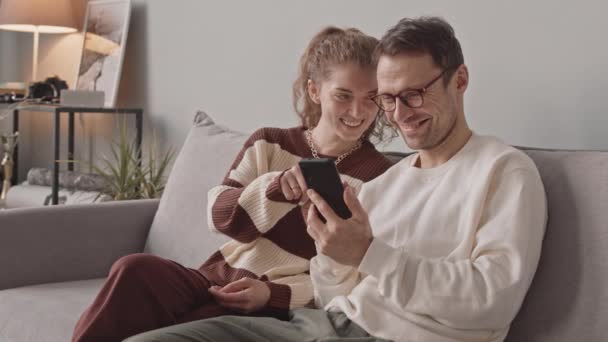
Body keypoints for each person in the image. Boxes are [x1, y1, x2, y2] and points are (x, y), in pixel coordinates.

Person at [124, 16, 548, 342]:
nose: (400, 113)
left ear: (460, 80)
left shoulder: (503, 171)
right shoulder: (389, 183)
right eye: (388, 98)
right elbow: (334, 292)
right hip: (321, 325)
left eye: (415, 94)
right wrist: (331, 252)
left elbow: (491, 301)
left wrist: (367, 252)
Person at [72, 26, 395, 342]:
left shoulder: (381, 175)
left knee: (186, 327)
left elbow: (355, 277)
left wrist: (273, 294)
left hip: (271, 307)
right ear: (315, 91)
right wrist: (274, 189)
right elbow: (220, 217)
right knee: (134, 268)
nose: (358, 111)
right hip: (212, 278)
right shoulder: (269, 143)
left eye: (371, 98)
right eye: (343, 95)